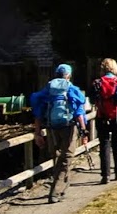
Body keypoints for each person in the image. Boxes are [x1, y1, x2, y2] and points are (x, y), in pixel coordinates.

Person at [30, 63, 88, 203]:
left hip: (51, 128)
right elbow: (79, 110)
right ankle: (55, 191)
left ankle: (61, 187)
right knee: (67, 157)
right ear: (68, 75)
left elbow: (38, 111)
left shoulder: (48, 89)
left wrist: (37, 132)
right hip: (68, 126)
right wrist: (83, 129)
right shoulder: (71, 88)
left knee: (56, 156)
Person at [90, 58, 117, 183]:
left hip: (102, 115)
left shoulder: (97, 83)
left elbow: (93, 100)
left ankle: (105, 175)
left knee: (104, 144)